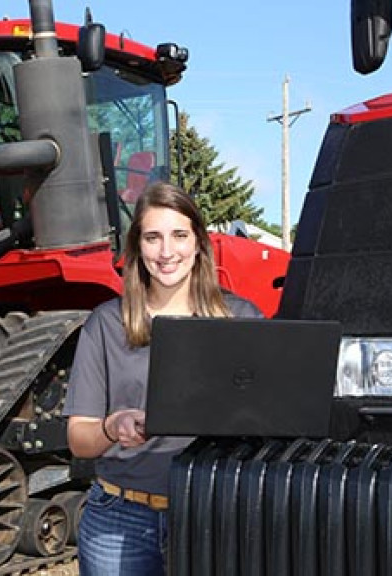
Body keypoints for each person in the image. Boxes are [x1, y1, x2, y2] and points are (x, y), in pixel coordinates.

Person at [63, 181, 263, 575]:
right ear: (137, 247)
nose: (167, 252)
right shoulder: (105, 324)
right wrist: (112, 425)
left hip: (216, 516)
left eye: (179, 236)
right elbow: (79, 440)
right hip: (120, 520)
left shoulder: (243, 320)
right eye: (153, 237)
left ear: (199, 243)